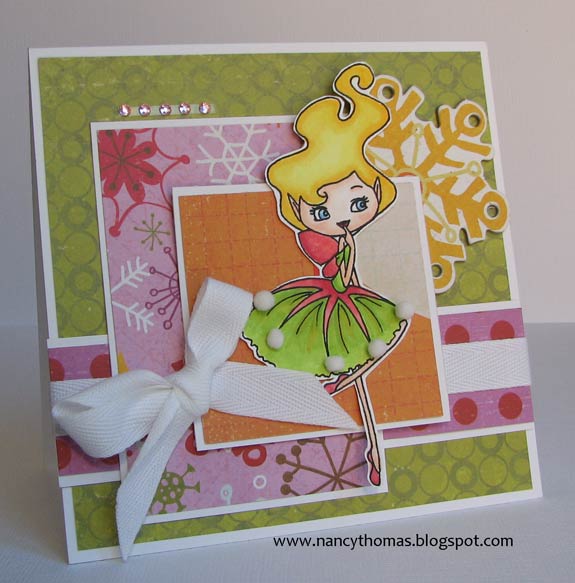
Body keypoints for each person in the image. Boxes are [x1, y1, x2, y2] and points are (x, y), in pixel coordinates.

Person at [243, 63, 409, 486]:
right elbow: (331, 263)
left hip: (353, 301)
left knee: (367, 345)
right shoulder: (322, 243)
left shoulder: (352, 237)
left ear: (376, 191)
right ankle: (341, 390)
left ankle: (360, 417)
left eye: (358, 203)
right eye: (320, 212)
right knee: (340, 347)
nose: (344, 218)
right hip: (327, 301)